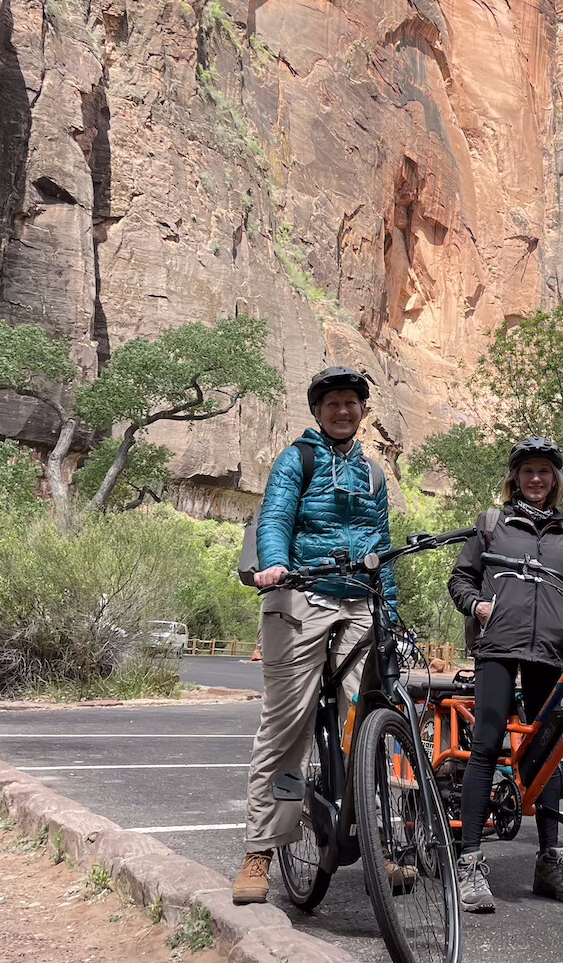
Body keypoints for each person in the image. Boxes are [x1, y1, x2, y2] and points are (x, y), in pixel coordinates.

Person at [231, 366, 396, 904]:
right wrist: (274, 564)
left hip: (358, 602)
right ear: (317, 411)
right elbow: (276, 517)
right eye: (333, 403)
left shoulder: (373, 476)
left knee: (371, 722)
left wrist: (386, 610)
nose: (343, 411)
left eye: (352, 403)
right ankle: (260, 851)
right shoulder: (297, 459)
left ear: (362, 411)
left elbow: (382, 551)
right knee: (287, 726)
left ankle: (377, 844)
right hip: (302, 596)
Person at [446, 436, 563, 913]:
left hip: (548, 653)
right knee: (485, 744)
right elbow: (460, 578)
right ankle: (470, 864)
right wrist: (477, 605)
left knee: (548, 753)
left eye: (545, 471)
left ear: (555, 480)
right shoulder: (491, 524)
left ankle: (550, 861)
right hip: (498, 647)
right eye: (528, 471)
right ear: (515, 478)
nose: (537, 478)